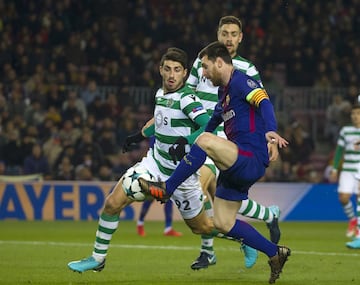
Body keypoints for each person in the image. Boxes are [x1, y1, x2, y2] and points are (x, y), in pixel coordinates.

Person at [68, 47, 255, 275]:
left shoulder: (186, 99)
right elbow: (160, 122)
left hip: (182, 175)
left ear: (185, 73)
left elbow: (210, 126)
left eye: (177, 70)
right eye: (167, 69)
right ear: (160, 70)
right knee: (112, 203)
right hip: (154, 164)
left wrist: (185, 140)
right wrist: (139, 136)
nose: (171, 75)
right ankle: (98, 258)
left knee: (202, 227)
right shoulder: (160, 94)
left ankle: (244, 239)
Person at [139, 42, 291, 284]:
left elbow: (265, 102)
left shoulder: (242, 82)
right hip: (237, 165)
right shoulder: (225, 93)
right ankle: (275, 253)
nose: (204, 74)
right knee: (222, 223)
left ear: (220, 62)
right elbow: (209, 125)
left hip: (250, 156)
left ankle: (167, 189)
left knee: (206, 141)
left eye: (207, 68)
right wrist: (188, 141)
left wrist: (271, 131)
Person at [186, 15, 281, 269]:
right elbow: (187, 94)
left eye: (233, 34)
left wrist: (269, 137)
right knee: (218, 200)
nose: (229, 38)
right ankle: (267, 216)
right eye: (224, 33)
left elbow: (261, 104)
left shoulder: (247, 70)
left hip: (228, 141)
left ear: (240, 38)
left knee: (199, 185)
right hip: (203, 134)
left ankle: (208, 251)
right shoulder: (202, 62)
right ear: (218, 34)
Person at [328, 104, 360, 248]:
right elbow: (339, 150)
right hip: (347, 168)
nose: (354, 116)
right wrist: (335, 169)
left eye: (357, 114)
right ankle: (352, 220)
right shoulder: (346, 131)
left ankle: (358, 235)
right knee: (343, 198)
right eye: (353, 114)